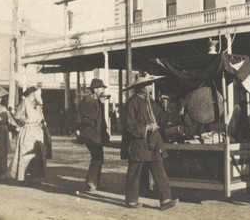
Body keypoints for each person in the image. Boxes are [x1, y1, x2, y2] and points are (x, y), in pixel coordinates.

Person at [123, 73, 178, 210]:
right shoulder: (132, 103)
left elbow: (161, 118)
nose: (150, 87)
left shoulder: (151, 102)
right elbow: (129, 125)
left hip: (153, 142)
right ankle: (131, 201)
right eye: (147, 84)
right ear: (140, 87)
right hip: (138, 143)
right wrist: (147, 127)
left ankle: (165, 200)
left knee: (159, 170)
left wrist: (172, 110)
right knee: (134, 173)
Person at [76, 78, 110, 192]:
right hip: (90, 135)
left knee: (99, 158)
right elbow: (91, 118)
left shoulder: (97, 101)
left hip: (97, 135)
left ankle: (95, 182)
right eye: (101, 88)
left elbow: (102, 120)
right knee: (97, 158)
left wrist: (105, 135)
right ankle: (90, 182)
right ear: (95, 89)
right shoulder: (87, 102)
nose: (103, 90)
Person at [9, 87, 47, 186]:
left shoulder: (38, 105)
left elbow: (41, 117)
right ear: (32, 94)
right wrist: (24, 121)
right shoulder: (25, 101)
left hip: (37, 131)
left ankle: (34, 177)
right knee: (26, 154)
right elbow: (17, 115)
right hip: (28, 130)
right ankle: (22, 177)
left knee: (37, 155)